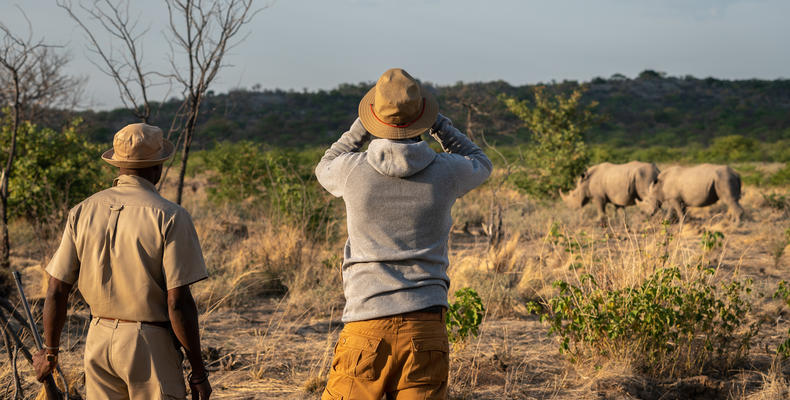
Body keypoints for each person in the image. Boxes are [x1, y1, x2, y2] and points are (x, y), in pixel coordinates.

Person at [316, 68, 492, 400]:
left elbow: (325, 162)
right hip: (426, 326)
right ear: (422, 118)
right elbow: (481, 162)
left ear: (374, 118)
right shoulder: (447, 171)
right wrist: (440, 125)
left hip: (365, 325)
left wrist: (361, 125)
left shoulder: (352, 171)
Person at [32, 123, 212, 399]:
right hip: (149, 343)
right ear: (158, 167)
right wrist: (198, 371)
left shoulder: (82, 211)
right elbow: (178, 302)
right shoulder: (170, 216)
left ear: (118, 165)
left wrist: (50, 352)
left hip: (97, 340)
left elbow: (57, 288)